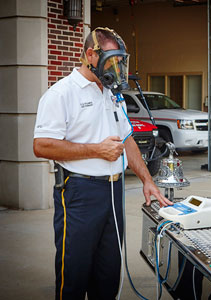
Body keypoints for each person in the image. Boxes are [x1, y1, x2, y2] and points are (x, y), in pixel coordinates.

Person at [33, 27, 172, 300]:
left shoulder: (111, 93)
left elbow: (128, 139)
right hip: (79, 194)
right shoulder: (62, 93)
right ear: (90, 55)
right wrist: (96, 150)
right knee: (73, 276)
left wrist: (147, 180)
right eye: (112, 61)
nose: (117, 68)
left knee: (108, 276)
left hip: (114, 193)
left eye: (120, 62)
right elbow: (41, 145)